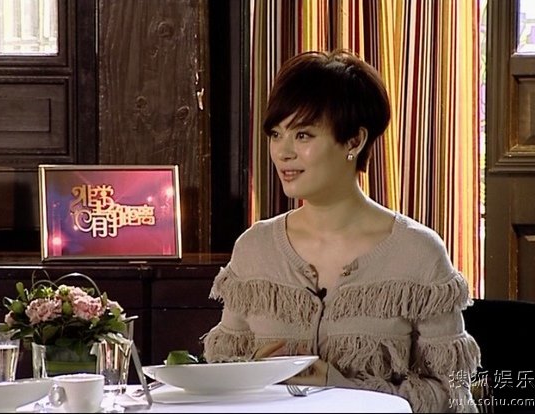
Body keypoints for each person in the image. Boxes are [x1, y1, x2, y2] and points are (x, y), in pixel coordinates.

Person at [202, 49, 481, 413]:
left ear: (353, 141)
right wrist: (252, 374)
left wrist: (341, 385)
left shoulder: (417, 253)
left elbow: (455, 396)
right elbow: (220, 376)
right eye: (276, 134)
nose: (283, 152)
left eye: (303, 135)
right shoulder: (255, 247)